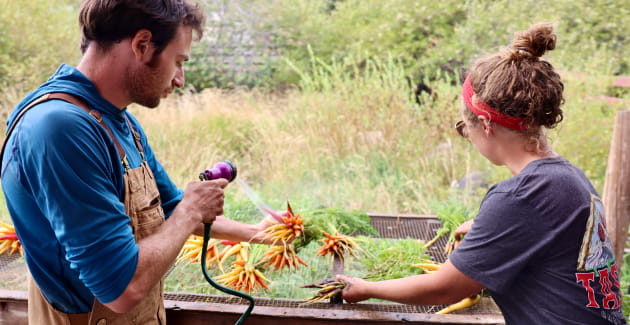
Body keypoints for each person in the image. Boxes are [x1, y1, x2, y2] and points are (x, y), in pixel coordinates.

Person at [0, 0, 283, 324]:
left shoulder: (118, 122)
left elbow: (169, 205)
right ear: (142, 44)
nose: (180, 79)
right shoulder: (59, 128)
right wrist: (192, 211)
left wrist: (257, 232)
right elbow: (119, 288)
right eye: (178, 61)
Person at [337, 23, 627, 325]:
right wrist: (487, 225)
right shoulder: (567, 177)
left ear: (486, 124)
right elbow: (554, 232)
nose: (468, 136)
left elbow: (445, 287)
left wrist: (365, 288)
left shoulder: (520, 196)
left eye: (468, 126)